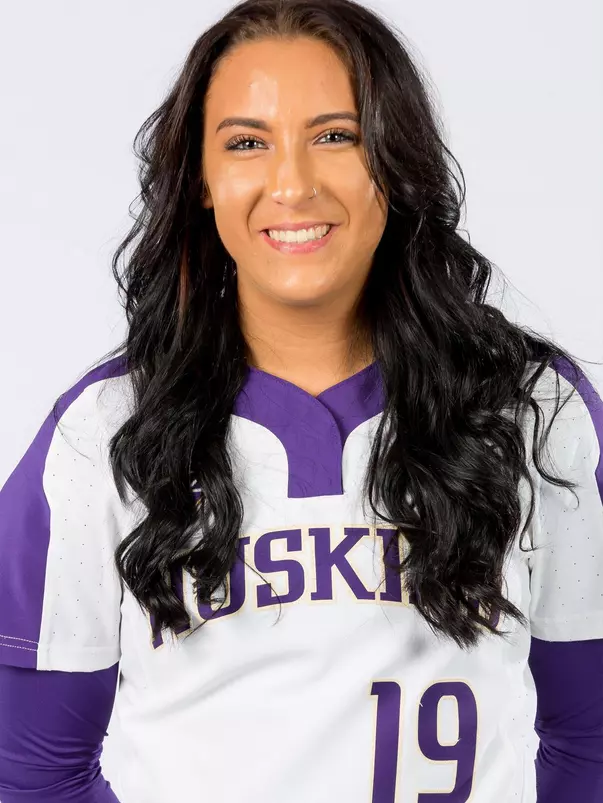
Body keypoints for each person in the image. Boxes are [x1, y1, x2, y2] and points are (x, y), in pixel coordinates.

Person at [0, 0, 601, 800]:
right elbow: (30, 771)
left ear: (395, 160)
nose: (291, 182)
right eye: (246, 143)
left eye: (335, 135)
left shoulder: (533, 411)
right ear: (201, 182)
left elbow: (591, 743)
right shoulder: (101, 433)